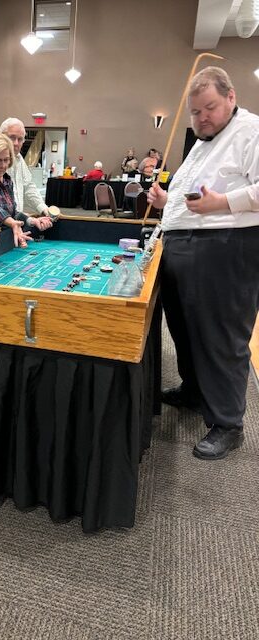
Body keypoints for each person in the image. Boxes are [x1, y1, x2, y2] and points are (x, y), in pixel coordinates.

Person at [147, 66, 259, 460]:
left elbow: (223, 199)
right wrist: (166, 201)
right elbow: (192, 195)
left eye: (209, 108)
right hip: (182, 245)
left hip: (225, 246)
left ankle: (228, 423)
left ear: (231, 96)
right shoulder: (202, 142)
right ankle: (195, 391)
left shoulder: (251, 130)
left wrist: (224, 202)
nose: (201, 118)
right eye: (195, 112)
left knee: (220, 336)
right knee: (185, 328)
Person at [0, 117, 53, 227]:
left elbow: (28, 187)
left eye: (20, 139)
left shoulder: (19, 159)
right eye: (12, 138)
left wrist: (43, 208)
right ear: (1, 137)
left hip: (16, 221)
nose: (16, 143)